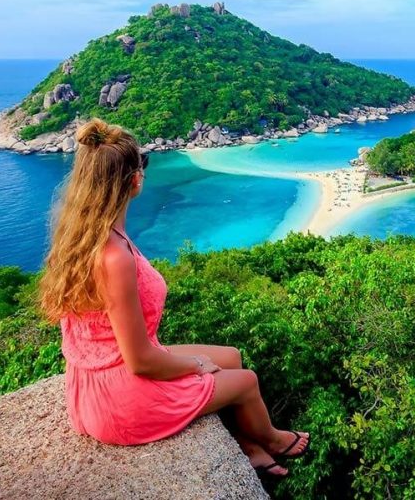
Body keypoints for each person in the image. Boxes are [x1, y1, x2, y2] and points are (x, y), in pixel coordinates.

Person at [37, 118, 308, 478]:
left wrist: (191, 363)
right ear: (135, 180)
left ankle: (248, 446)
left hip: (92, 382)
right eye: (143, 163)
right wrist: (194, 365)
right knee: (246, 381)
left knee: (231, 356)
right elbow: (140, 362)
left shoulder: (81, 236)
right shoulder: (114, 256)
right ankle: (272, 440)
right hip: (119, 399)